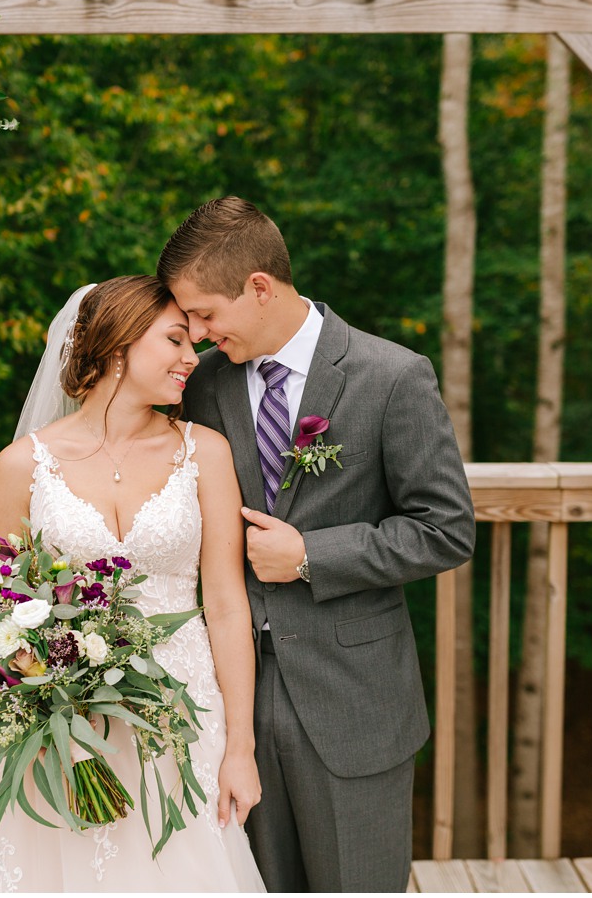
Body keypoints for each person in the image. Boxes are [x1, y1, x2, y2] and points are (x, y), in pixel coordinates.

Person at [161, 198, 476, 895]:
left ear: (260, 286)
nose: (199, 335)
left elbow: (446, 527)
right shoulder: (206, 385)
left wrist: (310, 554)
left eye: (207, 314)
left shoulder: (391, 376)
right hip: (228, 704)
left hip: (353, 701)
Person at [0, 277, 266, 893]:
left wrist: (240, 749)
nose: (191, 358)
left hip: (184, 716)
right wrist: (33, 717)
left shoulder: (207, 453)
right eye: (174, 340)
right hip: (61, 728)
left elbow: (225, 606)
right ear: (118, 345)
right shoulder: (22, 465)